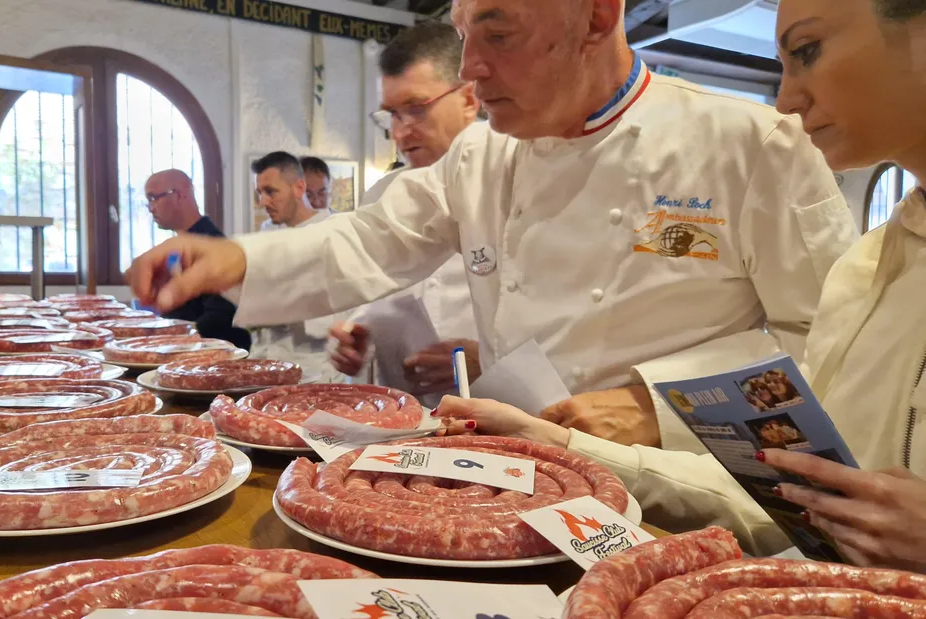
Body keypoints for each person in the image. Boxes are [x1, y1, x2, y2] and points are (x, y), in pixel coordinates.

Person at [126, 0, 859, 451]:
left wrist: (663, 403)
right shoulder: (483, 153)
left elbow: (832, 341)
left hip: (678, 483)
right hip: (516, 463)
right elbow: (373, 238)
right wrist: (233, 260)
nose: (470, 69)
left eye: (498, 34)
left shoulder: (751, 145)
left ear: (597, 16)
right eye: (463, 31)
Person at [436, 0, 926, 570]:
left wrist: (656, 404)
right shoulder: (871, 269)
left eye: (808, 52)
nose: (788, 101)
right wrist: (563, 449)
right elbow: (805, 500)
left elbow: (796, 358)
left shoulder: (747, 139)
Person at [328, 21, 482, 407]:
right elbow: (380, 288)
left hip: (494, 408)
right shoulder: (381, 193)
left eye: (415, 109)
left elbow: (565, 323)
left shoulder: (516, 180)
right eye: (392, 115)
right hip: (401, 413)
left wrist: (489, 358)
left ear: (469, 98)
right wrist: (357, 331)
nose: (400, 133)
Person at [246, 152, 344, 381]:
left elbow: (336, 312)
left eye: (270, 191)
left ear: (299, 188)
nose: (263, 201)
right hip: (265, 362)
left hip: (312, 370)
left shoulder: (332, 233)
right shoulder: (267, 231)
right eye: (260, 193)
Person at [141, 169, 250, 350]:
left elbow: (219, 316)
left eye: (154, 198)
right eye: (148, 201)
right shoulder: (178, 245)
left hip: (212, 356)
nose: (151, 208)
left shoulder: (213, 244)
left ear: (179, 195)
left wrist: (168, 341)